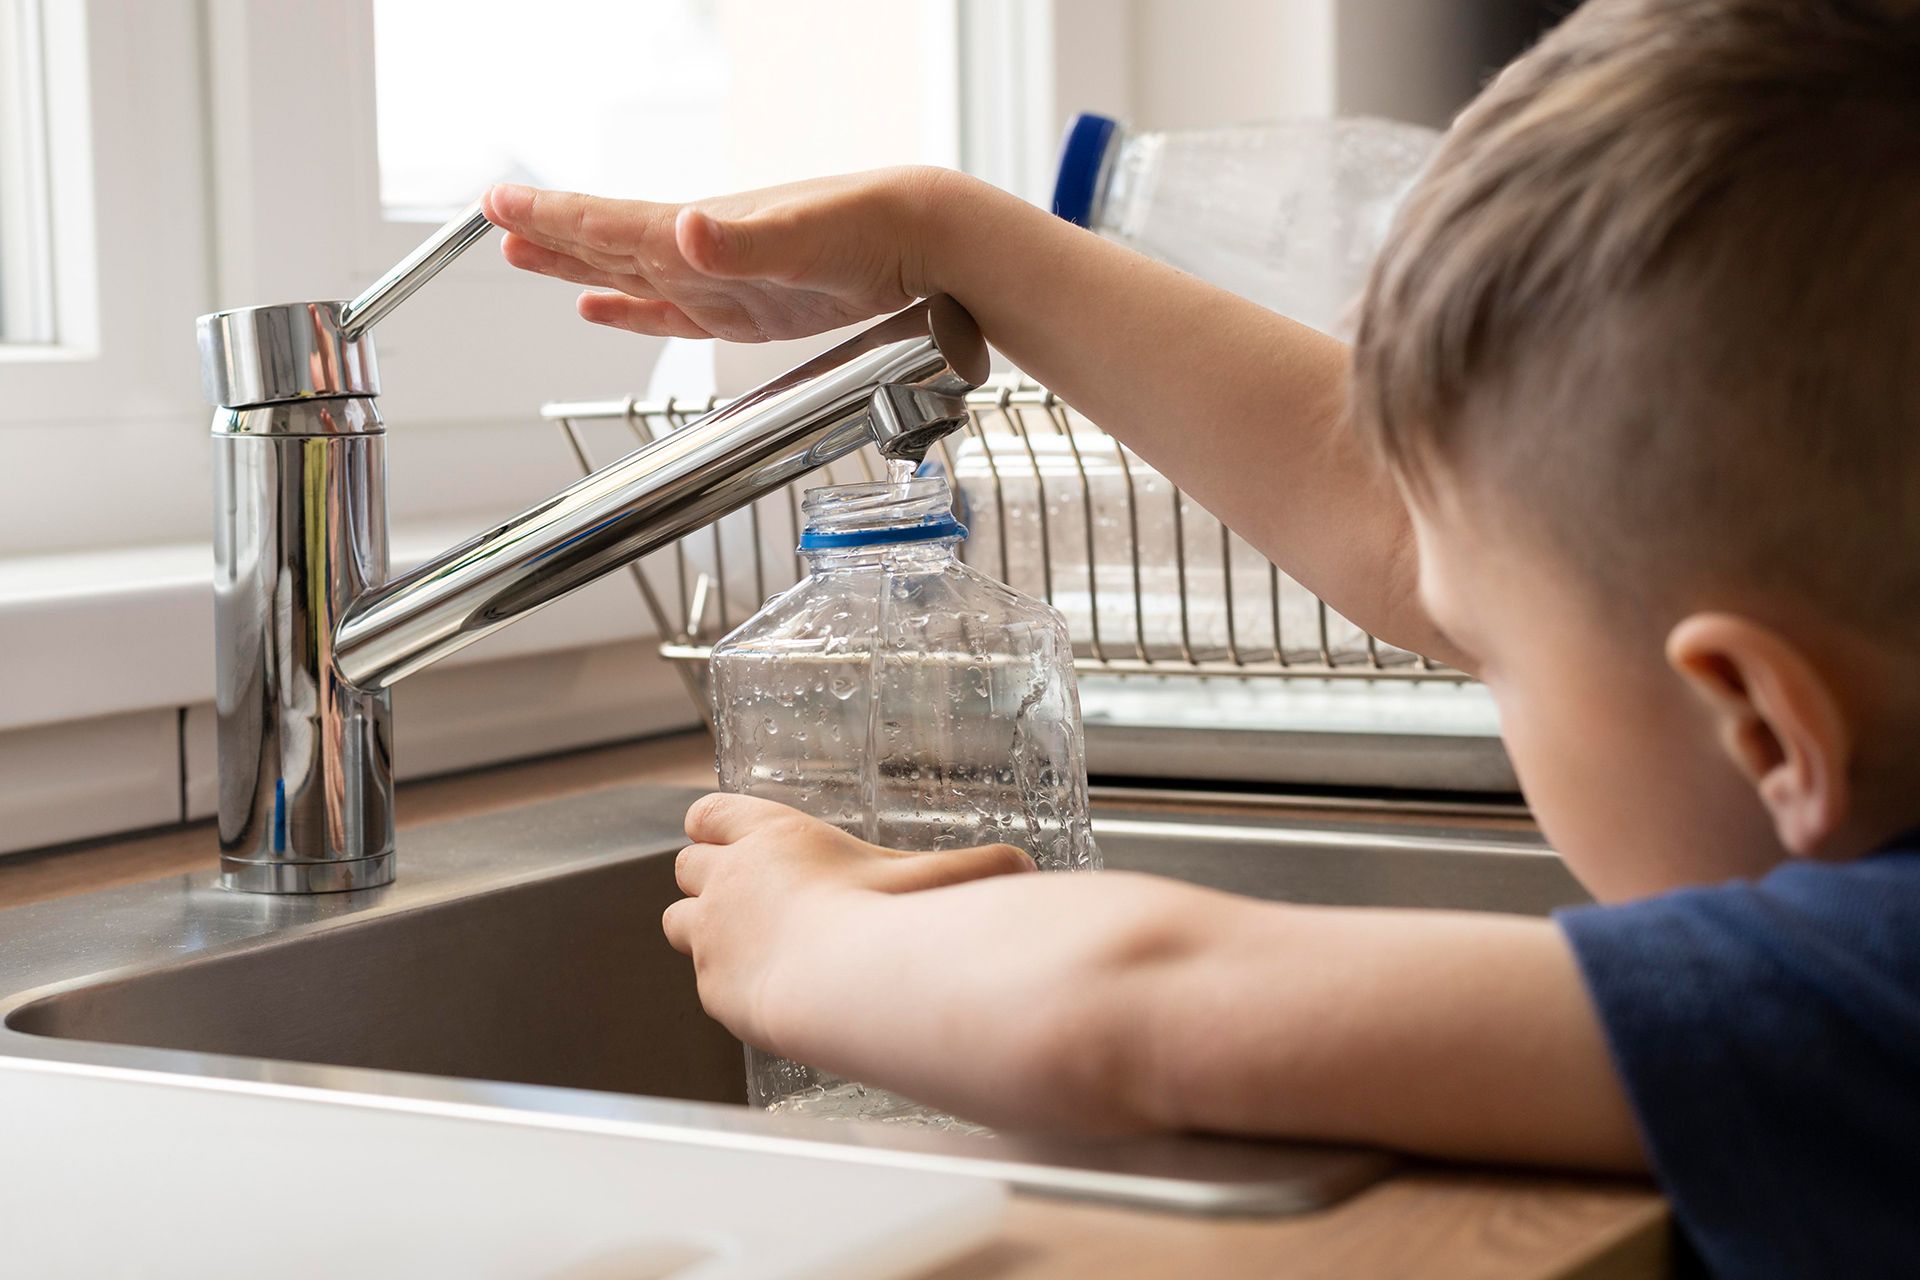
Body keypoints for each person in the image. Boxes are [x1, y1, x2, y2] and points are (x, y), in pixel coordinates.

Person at [481, 0, 1920, 1272]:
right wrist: (948, 235)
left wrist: (805, 945)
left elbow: (1144, 1009)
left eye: (1479, 652)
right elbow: (1403, 518)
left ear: (1763, 725)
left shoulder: (1862, 993)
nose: (1442, 621)